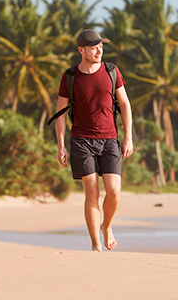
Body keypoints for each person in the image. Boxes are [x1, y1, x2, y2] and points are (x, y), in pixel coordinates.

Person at [55, 29, 133, 252]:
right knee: (91, 191)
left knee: (114, 192)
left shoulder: (111, 71)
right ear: (81, 50)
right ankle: (95, 244)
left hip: (110, 140)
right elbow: (60, 114)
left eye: (101, 46)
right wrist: (61, 146)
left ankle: (106, 226)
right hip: (81, 141)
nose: (99, 50)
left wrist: (128, 137)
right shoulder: (70, 76)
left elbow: (125, 104)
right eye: (93, 47)